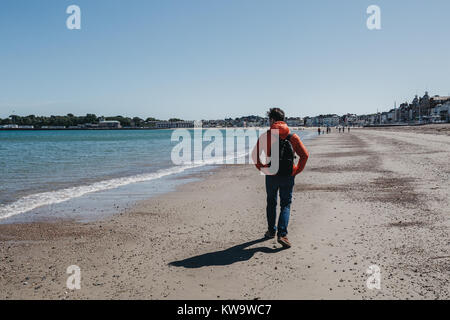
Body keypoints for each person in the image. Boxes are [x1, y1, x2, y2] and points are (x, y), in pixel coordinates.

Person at [252, 108, 309, 248]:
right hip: (288, 176)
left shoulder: (266, 136)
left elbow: (255, 157)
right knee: (285, 204)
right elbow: (305, 155)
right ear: (283, 120)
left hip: (271, 175)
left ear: (272, 120)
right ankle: (282, 234)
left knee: (271, 202)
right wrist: (295, 171)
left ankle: (271, 231)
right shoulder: (292, 137)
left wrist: (264, 169)